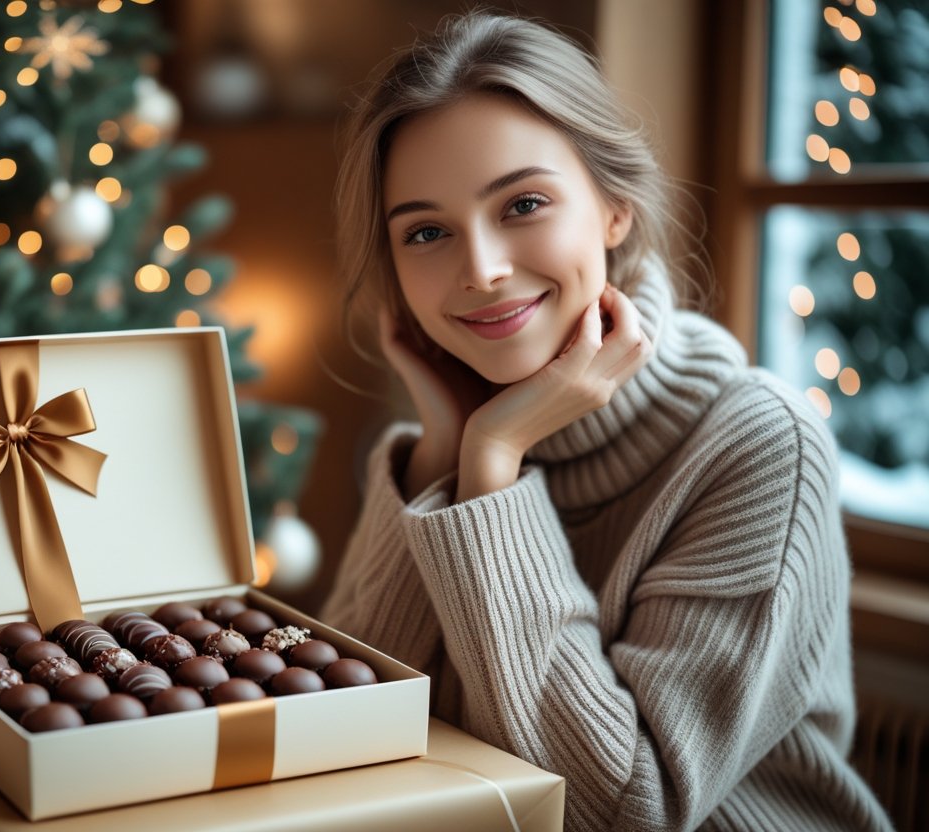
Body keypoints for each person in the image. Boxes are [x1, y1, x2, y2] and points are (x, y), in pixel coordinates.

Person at [319, 12, 892, 832]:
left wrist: (492, 464)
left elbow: (622, 810)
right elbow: (346, 726)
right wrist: (447, 452)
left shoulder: (762, 444)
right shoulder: (449, 443)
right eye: (428, 231)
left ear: (615, 208)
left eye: (522, 203)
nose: (480, 270)